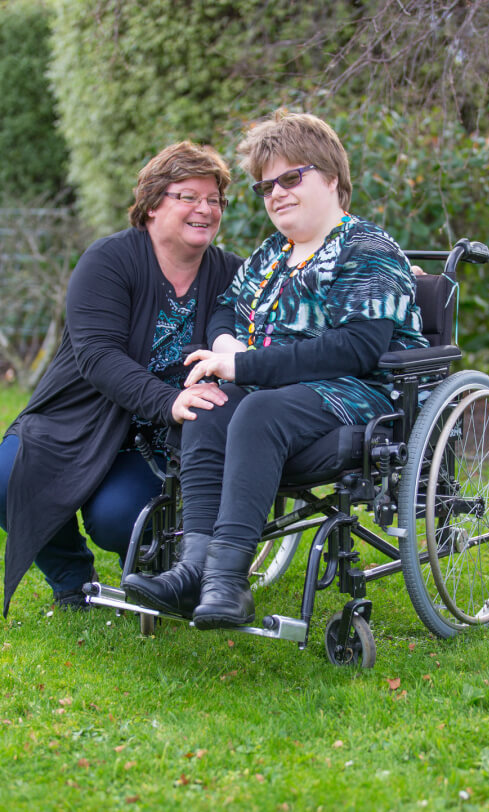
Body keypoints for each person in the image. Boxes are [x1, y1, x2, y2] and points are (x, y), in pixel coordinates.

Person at [124, 111, 429, 629]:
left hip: (361, 392)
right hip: (282, 393)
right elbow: (226, 308)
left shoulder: (367, 249)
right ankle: (195, 569)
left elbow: (355, 348)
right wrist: (223, 347)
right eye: (266, 185)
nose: (277, 193)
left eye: (292, 177)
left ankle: (227, 581)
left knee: (258, 407)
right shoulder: (271, 255)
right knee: (208, 402)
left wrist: (241, 364)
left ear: (332, 178)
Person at [0, 141, 243, 616]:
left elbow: (268, 311)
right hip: (82, 413)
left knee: (118, 519)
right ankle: (73, 581)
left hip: (155, 439)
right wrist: (167, 399)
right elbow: (97, 354)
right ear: (153, 205)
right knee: (7, 477)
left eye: (214, 199)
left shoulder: (229, 272)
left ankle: (162, 565)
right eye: (188, 196)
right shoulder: (109, 261)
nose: (205, 209)